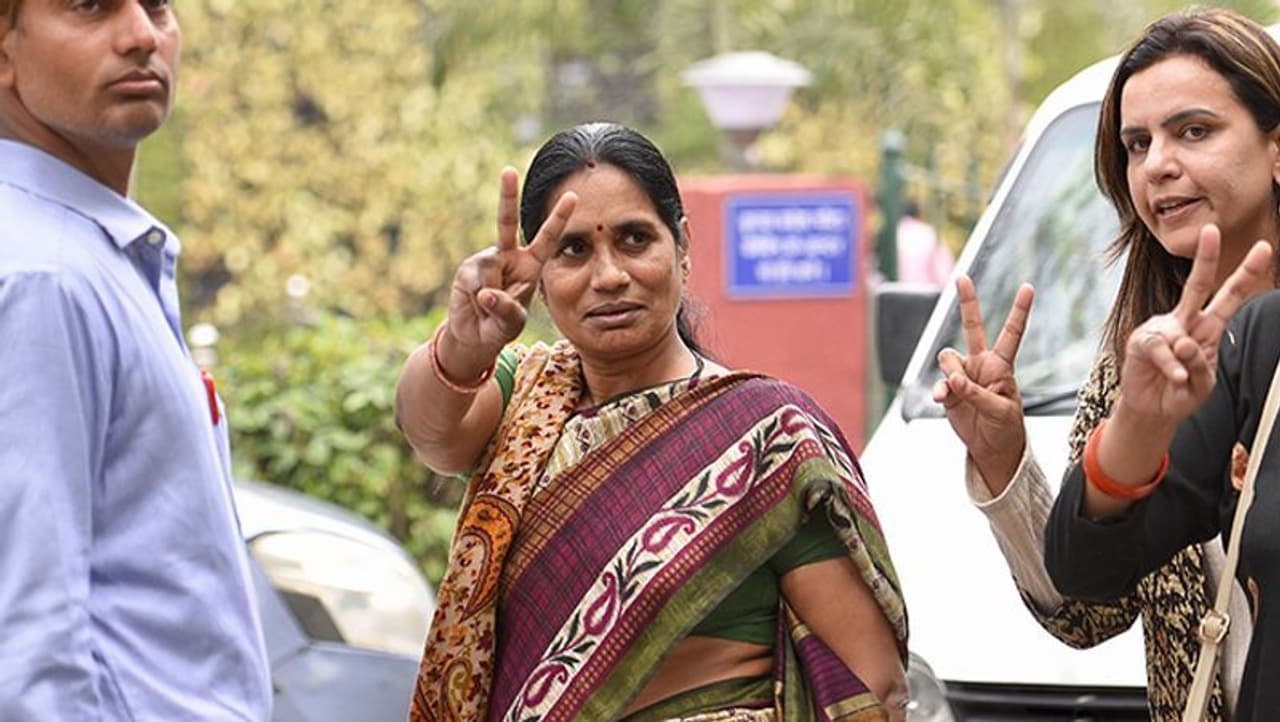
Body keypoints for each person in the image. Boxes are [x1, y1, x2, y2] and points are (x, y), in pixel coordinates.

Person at [395, 122, 908, 721]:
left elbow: (872, 686)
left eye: (635, 239)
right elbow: (430, 434)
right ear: (540, 276)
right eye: (573, 250)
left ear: (682, 247)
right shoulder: (523, 401)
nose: (609, 275)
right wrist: (463, 344)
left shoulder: (772, 438)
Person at [933, 8, 1280, 721]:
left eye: (1194, 131)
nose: (1158, 165)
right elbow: (1087, 606)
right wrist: (1004, 460)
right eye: (1136, 144)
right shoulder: (1139, 362)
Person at [0, 1, 272, 720]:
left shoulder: (86, 254)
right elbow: (24, 653)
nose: (142, 35)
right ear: (5, 49)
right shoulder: (39, 277)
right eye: (89, 5)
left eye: (156, 5)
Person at [894, 198, 953, 287]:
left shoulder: (893, 235)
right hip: (927, 292)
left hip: (894, 291)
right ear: (919, 214)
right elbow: (944, 273)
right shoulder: (931, 234)